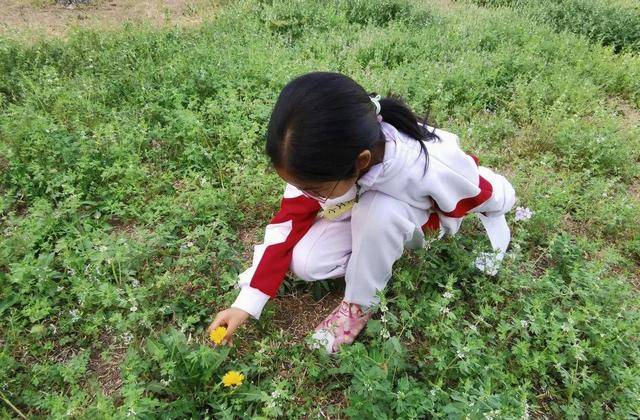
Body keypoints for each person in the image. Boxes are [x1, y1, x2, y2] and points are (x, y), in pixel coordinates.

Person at [207, 71, 516, 354]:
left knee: (377, 210)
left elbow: (477, 187)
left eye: (312, 188)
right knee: (306, 262)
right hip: (355, 204)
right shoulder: (320, 159)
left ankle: (357, 306)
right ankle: (368, 248)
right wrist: (247, 303)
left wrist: (503, 200)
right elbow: (287, 223)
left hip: (410, 218)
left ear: (361, 161)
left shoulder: (425, 165)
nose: (305, 194)